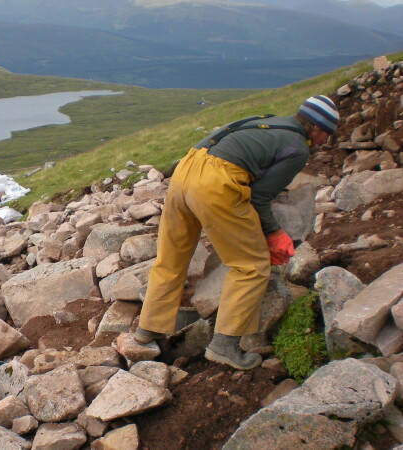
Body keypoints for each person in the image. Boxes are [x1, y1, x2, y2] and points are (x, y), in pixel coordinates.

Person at [135, 95, 340, 370]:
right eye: (328, 134)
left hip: (185, 172)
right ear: (317, 128)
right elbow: (259, 197)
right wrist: (274, 233)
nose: (327, 140)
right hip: (214, 183)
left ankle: (148, 329)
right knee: (251, 266)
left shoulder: (271, 121)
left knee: (171, 259)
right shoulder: (298, 147)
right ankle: (224, 346)